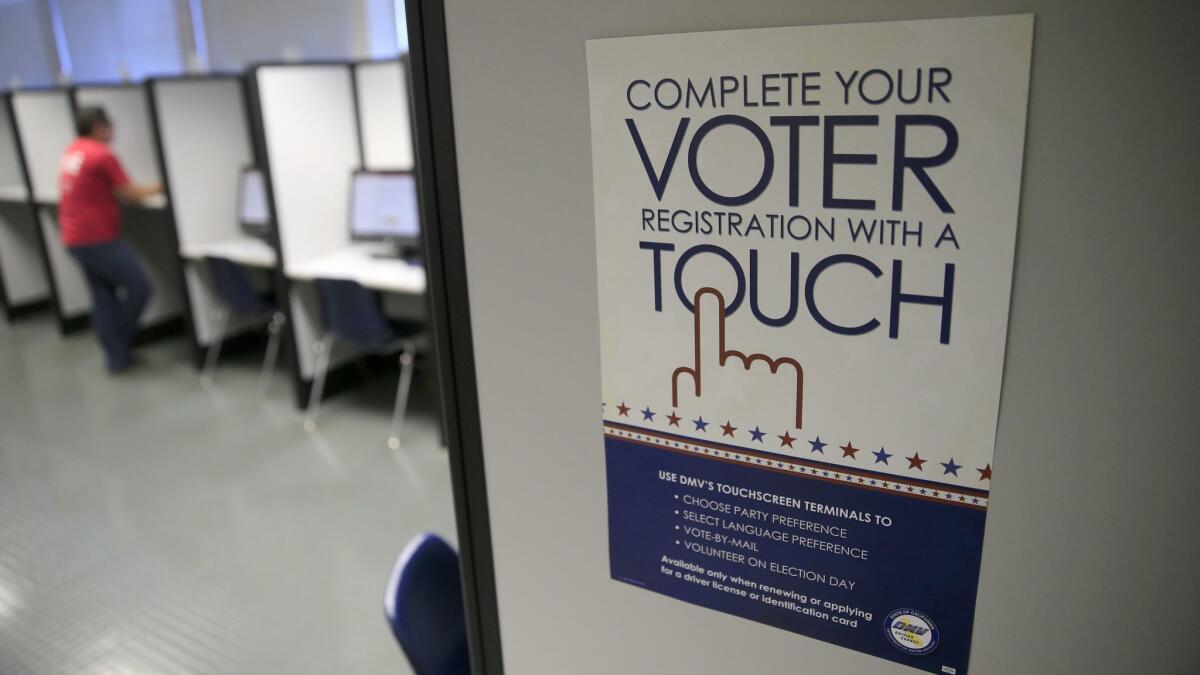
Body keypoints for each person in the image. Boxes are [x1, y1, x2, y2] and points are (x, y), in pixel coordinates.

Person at [58, 106, 163, 373]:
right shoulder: (101, 154)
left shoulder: (73, 150)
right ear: (98, 127)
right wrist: (165, 183)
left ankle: (115, 356)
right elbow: (133, 194)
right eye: (109, 125)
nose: (112, 131)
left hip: (74, 237)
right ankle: (118, 342)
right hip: (96, 238)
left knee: (102, 295)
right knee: (140, 288)